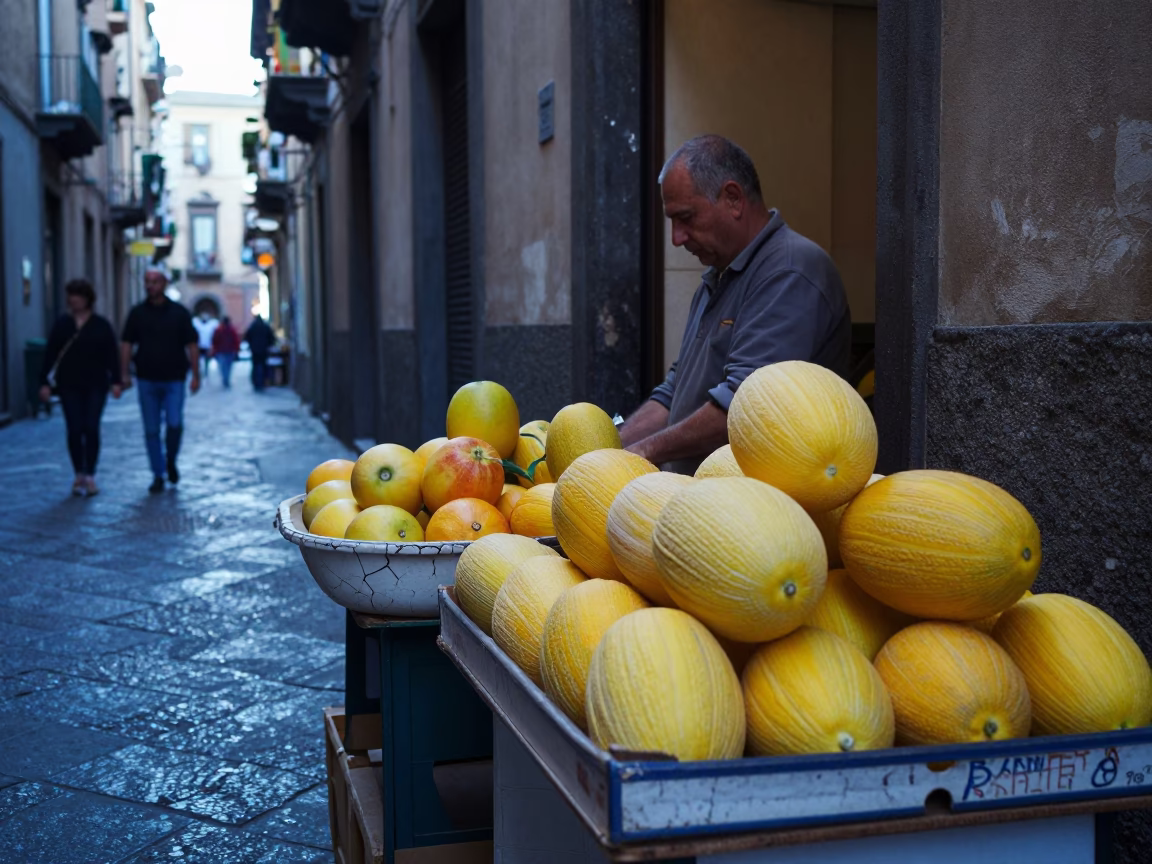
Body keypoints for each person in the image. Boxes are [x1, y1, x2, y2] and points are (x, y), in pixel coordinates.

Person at [620, 135, 851, 474]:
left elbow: (744, 407)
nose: (676, 238)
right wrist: (613, 449)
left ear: (733, 199)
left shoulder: (790, 270)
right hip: (699, 501)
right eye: (672, 221)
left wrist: (642, 452)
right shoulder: (717, 276)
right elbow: (673, 393)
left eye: (686, 217)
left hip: (753, 512)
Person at [38, 279, 122, 496]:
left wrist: (116, 381)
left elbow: (111, 354)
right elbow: (50, 354)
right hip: (69, 384)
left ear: (87, 299)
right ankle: (78, 474)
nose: (73, 299)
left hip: (96, 384)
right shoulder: (62, 325)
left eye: (77, 295)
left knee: (91, 427)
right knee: (75, 429)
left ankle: (91, 475)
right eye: (71, 295)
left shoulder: (101, 325)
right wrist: (44, 383)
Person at [121, 269, 201, 493]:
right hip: (146, 379)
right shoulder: (137, 313)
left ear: (164, 284)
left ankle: (170, 461)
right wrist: (124, 373)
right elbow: (126, 343)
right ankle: (158, 474)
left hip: (174, 379)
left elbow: (192, 345)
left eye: (155, 281)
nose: (150, 285)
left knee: (174, 424)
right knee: (151, 429)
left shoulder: (180, 313)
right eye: (147, 281)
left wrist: (196, 375)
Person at [244, 314, 275, 391]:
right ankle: (262, 382)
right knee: (263, 365)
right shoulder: (265, 326)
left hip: (255, 350)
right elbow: (271, 338)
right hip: (264, 350)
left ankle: (256, 382)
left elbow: (247, 337)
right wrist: (268, 345)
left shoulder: (252, 326)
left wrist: (251, 344)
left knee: (255, 366)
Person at [211, 316, 241, 389]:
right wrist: (236, 350)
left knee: (223, 366)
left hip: (221, 351)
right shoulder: (231, 330)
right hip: (229, 351)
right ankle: (226, 379)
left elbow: (214, 340)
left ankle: (225, 379)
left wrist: (215, 349)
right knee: (228, 366)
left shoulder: (219, 330)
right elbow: (236, 340)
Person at [192, 310, 218, 379]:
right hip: (200, 346)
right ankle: (201, 371)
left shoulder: (211, 324)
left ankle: (206, 371)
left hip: (207, 346)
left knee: (207, 360)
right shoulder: (197, 323)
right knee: (200, 360)